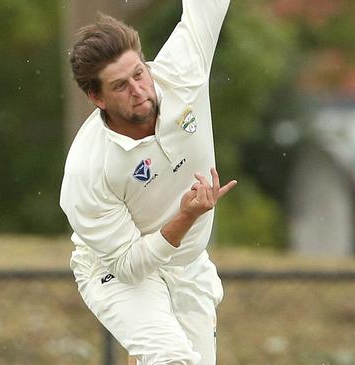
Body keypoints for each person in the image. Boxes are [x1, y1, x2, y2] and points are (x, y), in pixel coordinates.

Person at [60, 1, 234, 364]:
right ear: (97, 98)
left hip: (187, 262)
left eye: (139, 74)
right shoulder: (87, 169)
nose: (138, 90)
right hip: (116, 271)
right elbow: (128, 265)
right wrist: (185, 217)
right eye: (120, 86)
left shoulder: (182, 72)